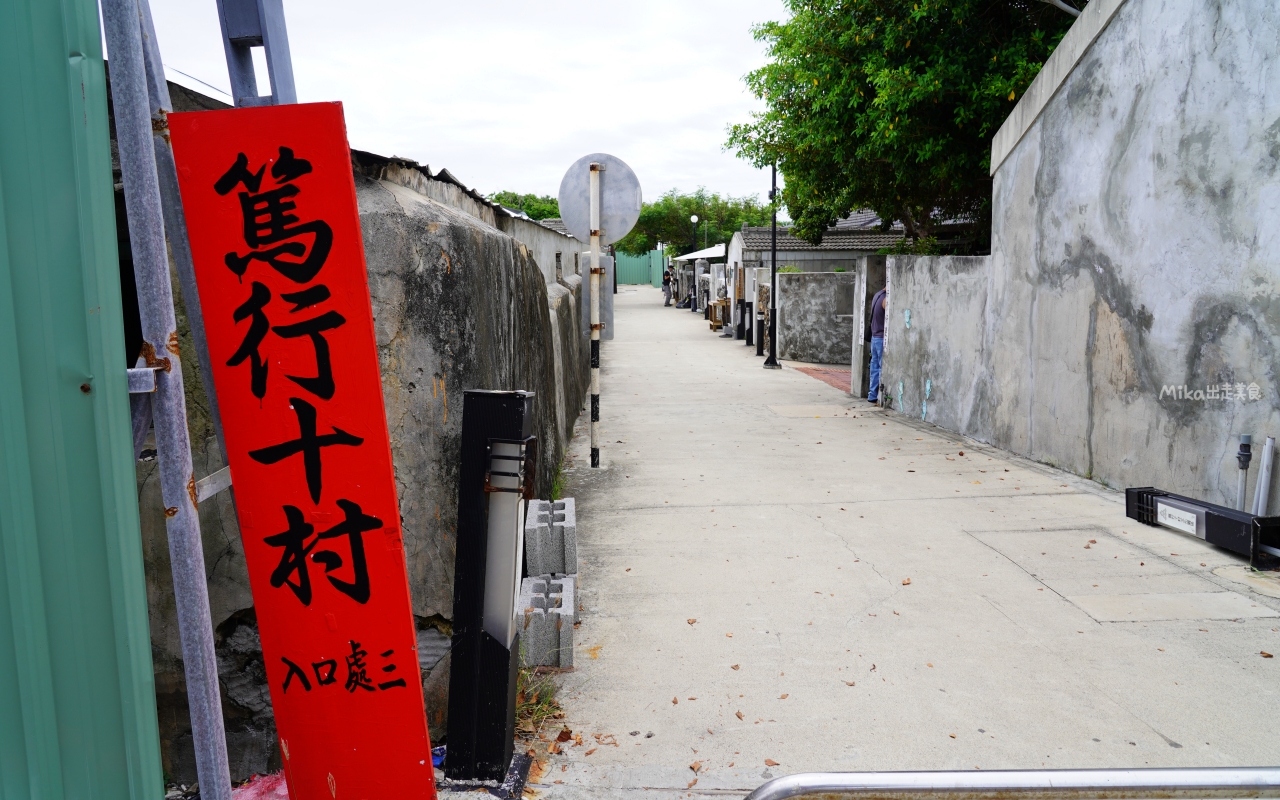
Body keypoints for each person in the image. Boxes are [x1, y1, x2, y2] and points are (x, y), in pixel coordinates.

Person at [867, 285, 887, 404]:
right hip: (880, 338)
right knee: (880, 367)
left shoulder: (877, 295)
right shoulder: (885, 299)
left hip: (874, 337)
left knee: (874, 367)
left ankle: (872, 395)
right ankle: (878, 395)